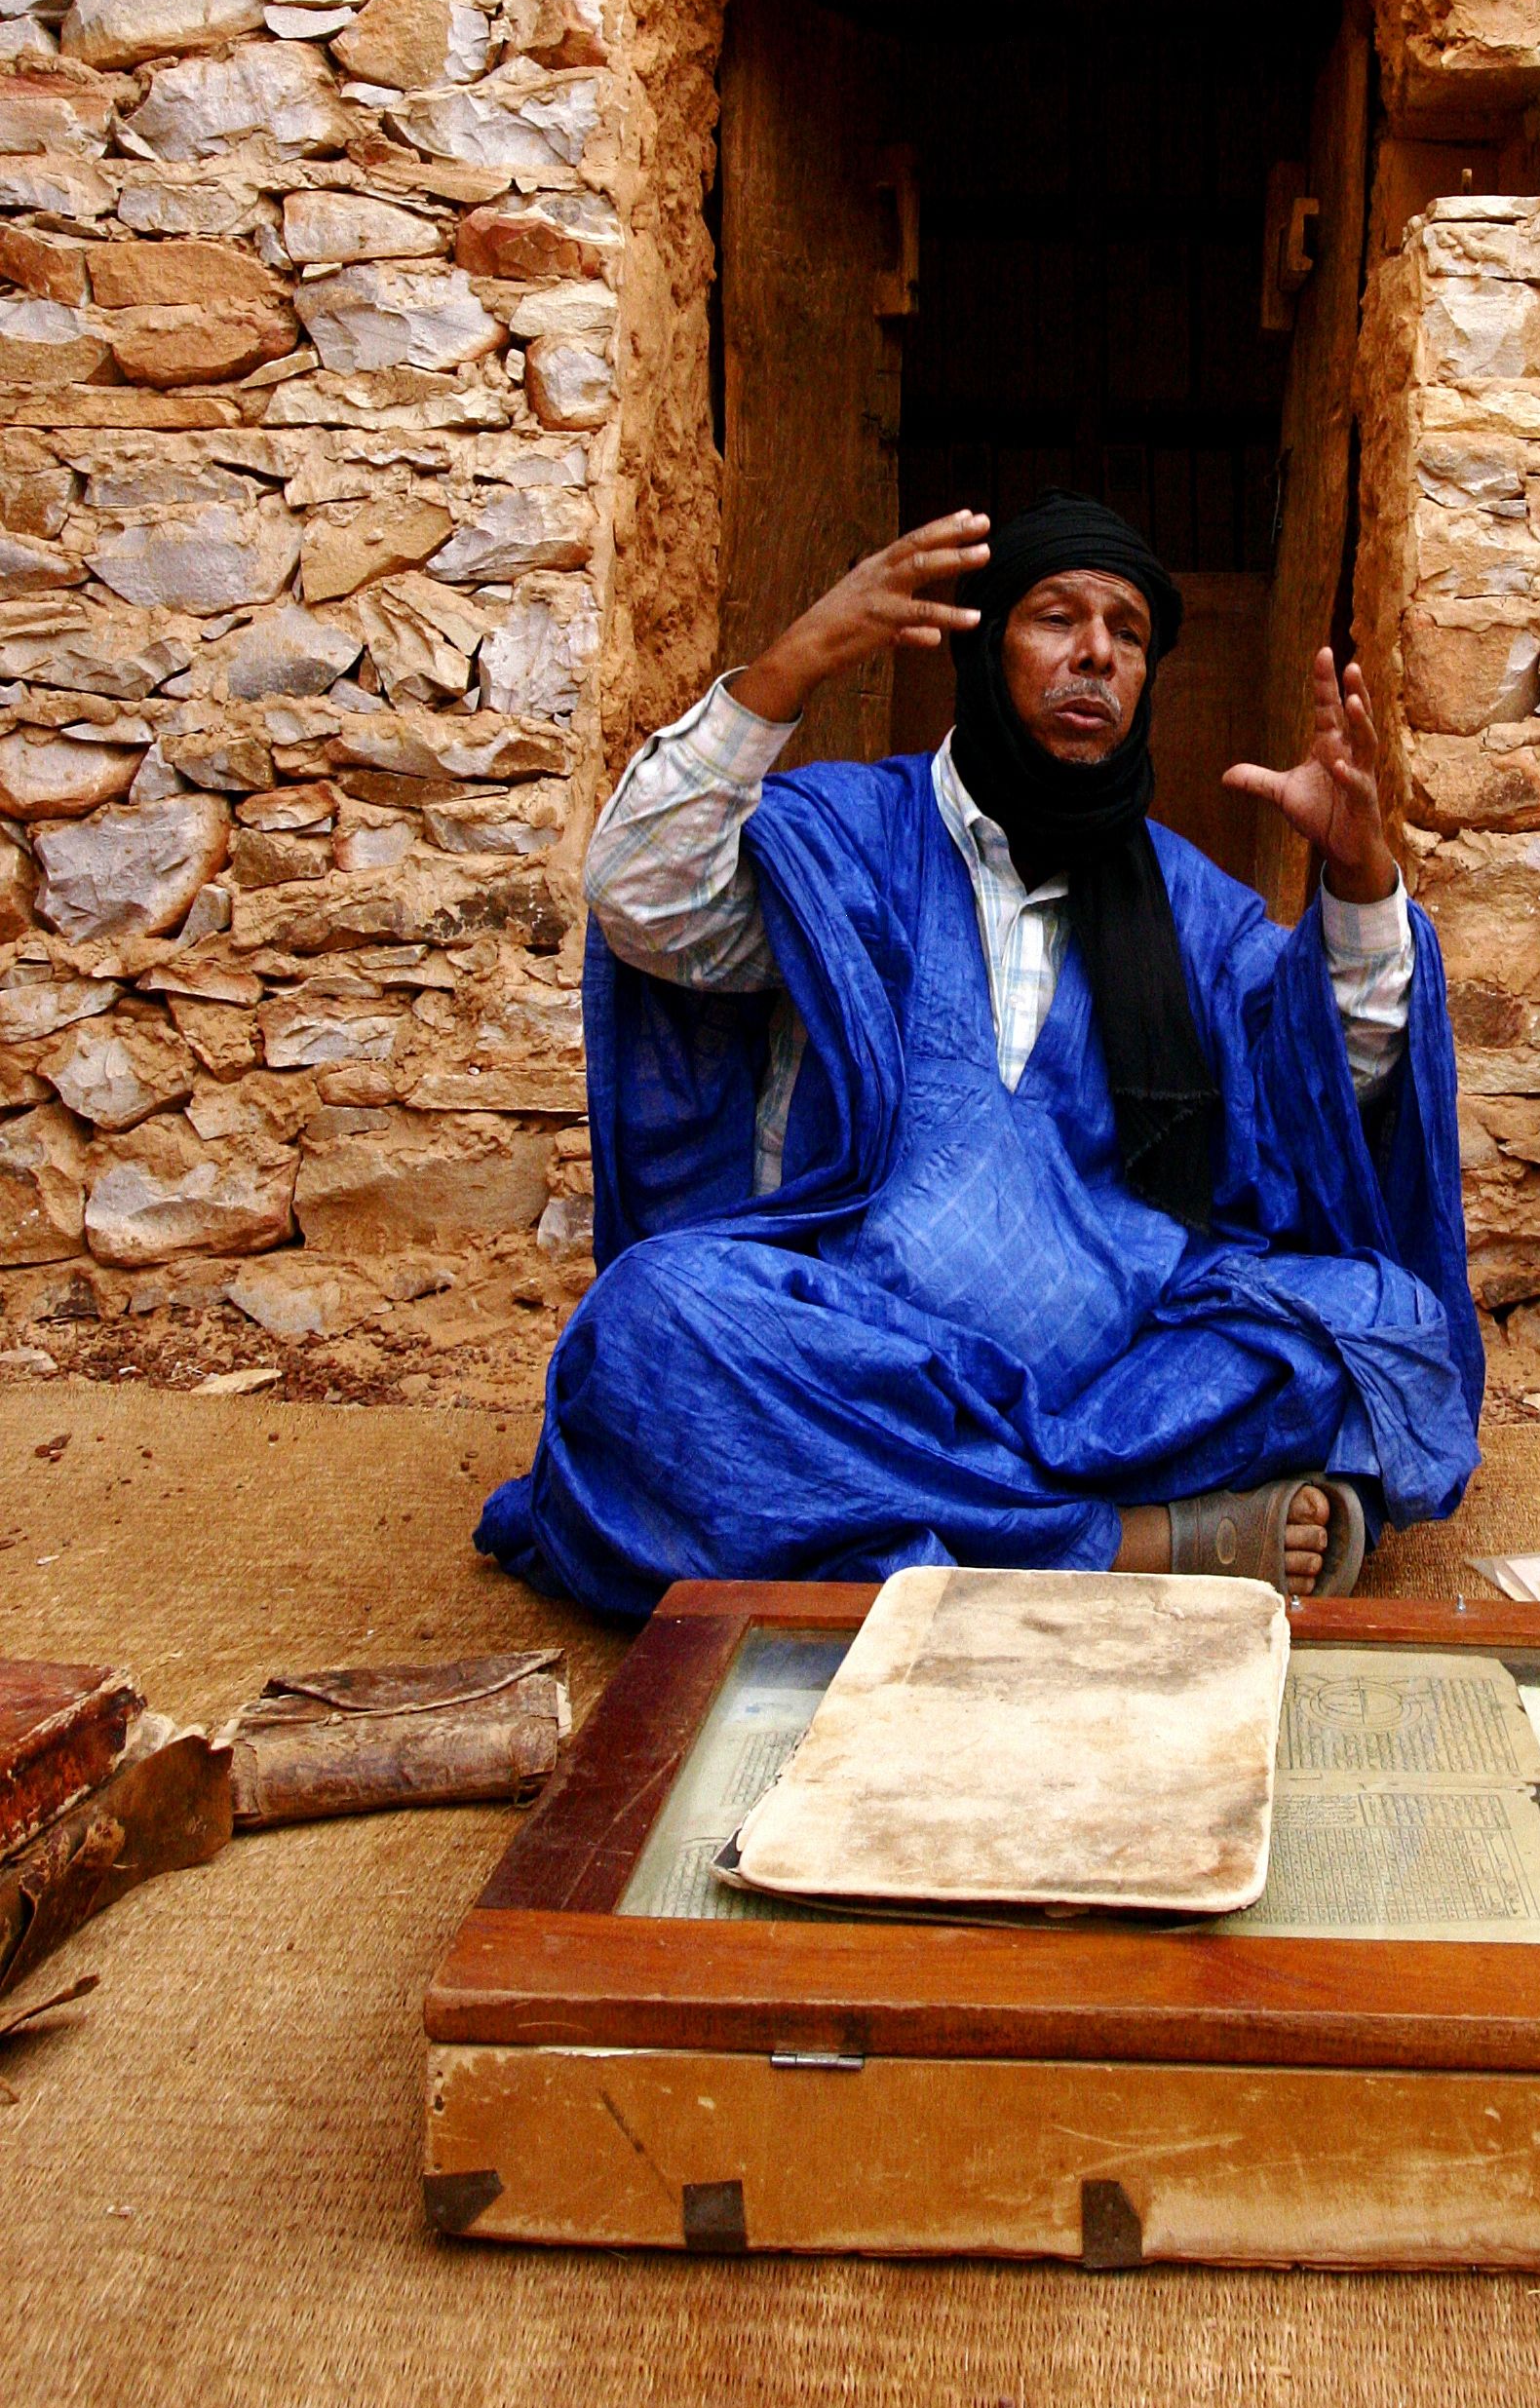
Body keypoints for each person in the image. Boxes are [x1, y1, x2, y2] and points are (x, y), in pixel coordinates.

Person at [477, 492, 1481, 1617]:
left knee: (1386, 1325)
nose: (1095, 653)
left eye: (1129, 633)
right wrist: (796, 662)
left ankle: (923, 1527)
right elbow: (642, 901)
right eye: (1056, 618)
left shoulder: (1192, 907)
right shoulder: (850, 831)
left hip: (1123, 1372)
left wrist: (1358, 877)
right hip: (861, 1352)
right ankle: (1129, 1544)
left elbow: (1326, 1089)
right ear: (986, 644)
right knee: (654, 1325)